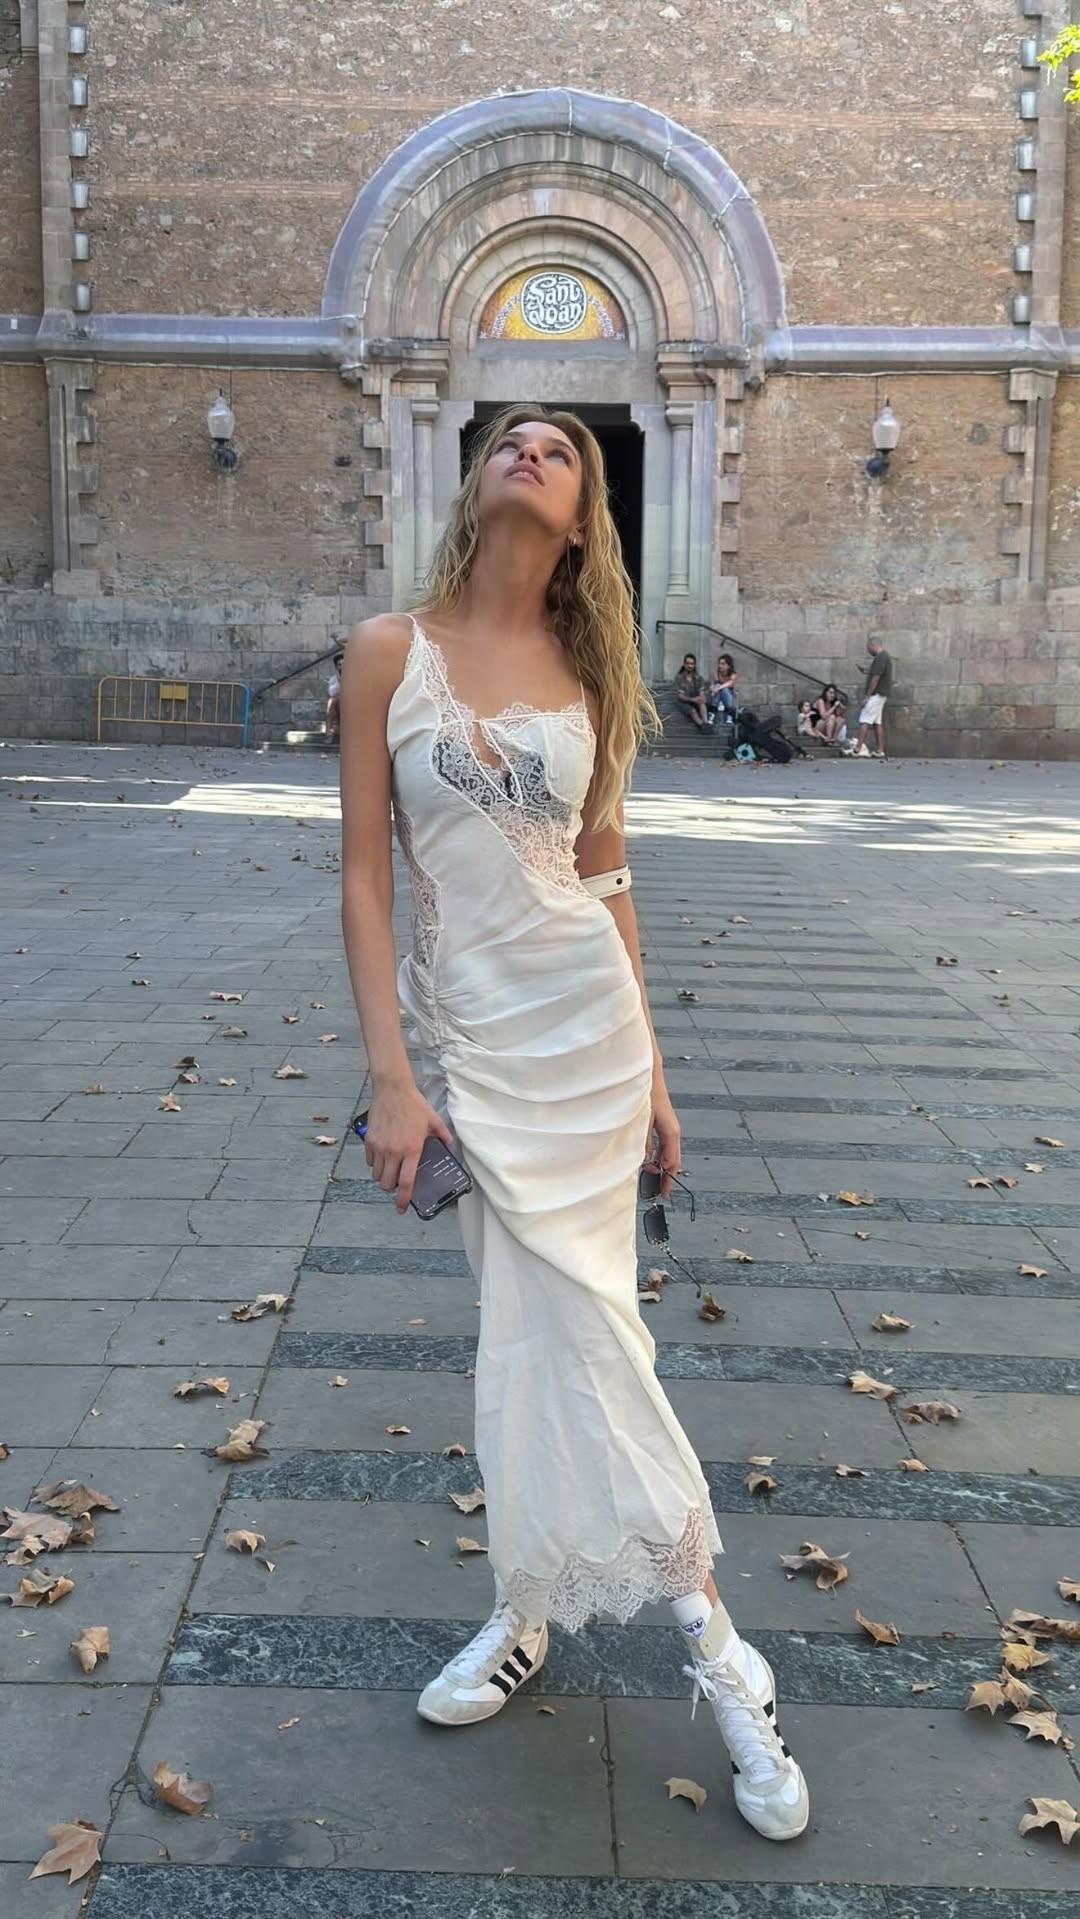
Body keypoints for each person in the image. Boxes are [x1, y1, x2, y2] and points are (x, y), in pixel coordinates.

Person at [339, 404, 809, 1845]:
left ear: (585, 513)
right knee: (532, 1340)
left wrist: (654, 1070)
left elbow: (606, 881)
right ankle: (538, 1613)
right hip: (475, 1053)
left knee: (589, 1339)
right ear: (476, 480)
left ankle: (715, 1654)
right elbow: (363, 876)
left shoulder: (590, 675)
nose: (532, 446)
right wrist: (392, 1076)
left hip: (590, 1044)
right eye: (511, 435)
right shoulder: (385, 652)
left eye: (561, 446)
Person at [843, 639, 892, 758]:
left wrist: (867, 696)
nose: (868, 651)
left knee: (864, 719)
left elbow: (876, 678)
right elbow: (877, 672)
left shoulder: (880, 658)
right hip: (881, 694)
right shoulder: (884, 657)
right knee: (877, 722)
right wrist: (866, 671)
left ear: (873, 645)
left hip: (876, 694)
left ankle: (857, 749)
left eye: (869, 648)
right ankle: (880, 750)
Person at [674, 652, 712, 730]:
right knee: (692, 710)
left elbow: (701, 692)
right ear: (684, 664)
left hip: (696, 700)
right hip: (683, 702)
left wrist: (702, 697)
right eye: (688, 664)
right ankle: (701, 725)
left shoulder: (699, 678)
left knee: (702, 703)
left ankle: (706, 723)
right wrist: (692, 699)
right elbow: (680, 696)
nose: (690, 666)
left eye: (692, 664)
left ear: (694, 665)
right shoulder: (679, 678)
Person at [708, 652, 738, 723]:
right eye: (719, 663)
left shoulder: (733, 674)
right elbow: (711, 686)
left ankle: (713, 714)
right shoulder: (716, 673)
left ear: (728, 666)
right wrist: (713, 688)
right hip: (716, 698)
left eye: (723, 664)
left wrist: (718, 688)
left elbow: (730, 683)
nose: (720, 666)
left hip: (729, 701)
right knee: (718, 686)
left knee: (723, 689)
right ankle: (712, 713)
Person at [325, 649, 345, 744]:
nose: (342, 666)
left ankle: (342, 731)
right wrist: (339, 681)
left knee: (339, 700)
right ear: (336, 667)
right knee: (331, 702)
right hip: (337, 704)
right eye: (339, 664)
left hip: (349, 704)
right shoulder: (334, 679)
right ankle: (328, 734)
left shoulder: (353, 677)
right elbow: (331, 693)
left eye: (343, 664)